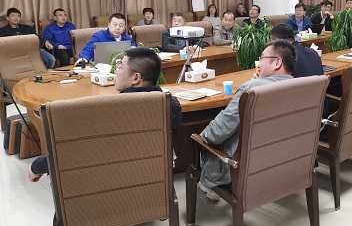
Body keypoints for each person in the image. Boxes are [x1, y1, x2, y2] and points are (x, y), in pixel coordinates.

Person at [29, 47, 182, 181]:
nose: (115, 71)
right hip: (153, 182)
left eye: (120, 67)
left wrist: (37, 166)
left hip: (108, 186)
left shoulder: (108, 110)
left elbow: (73, 153)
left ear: (136, 78)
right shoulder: (172, 105)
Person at [198, 40, 295, 198]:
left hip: (244, 167)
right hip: (282, 160)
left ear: (277, 62)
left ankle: (208, 185)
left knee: (205, 141)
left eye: (262, 58)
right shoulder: (301, 86)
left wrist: (201, 138)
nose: (259, 63)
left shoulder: (251, 88)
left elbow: (219, 131)